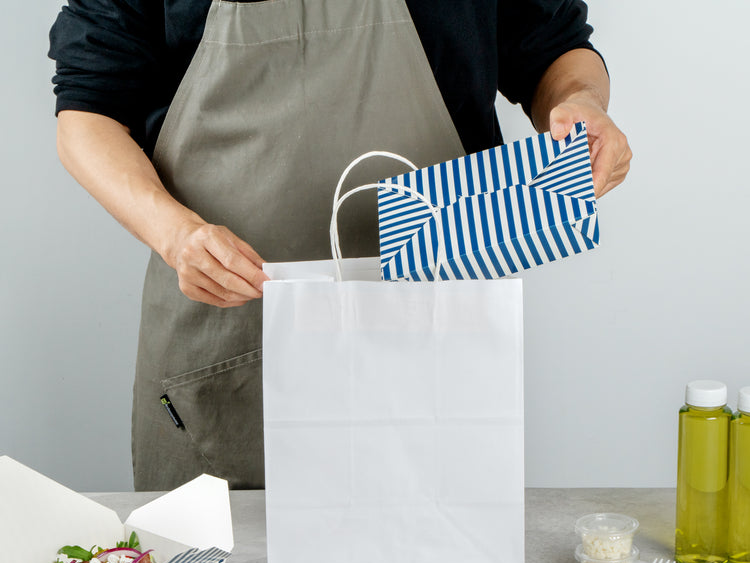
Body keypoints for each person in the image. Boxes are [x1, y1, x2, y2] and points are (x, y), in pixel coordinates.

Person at [49, 0, 631, 491]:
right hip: (225, 339)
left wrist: (582, 102)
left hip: (436, 332)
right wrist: (176, 236)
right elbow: (87, 113)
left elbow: (552, 46)